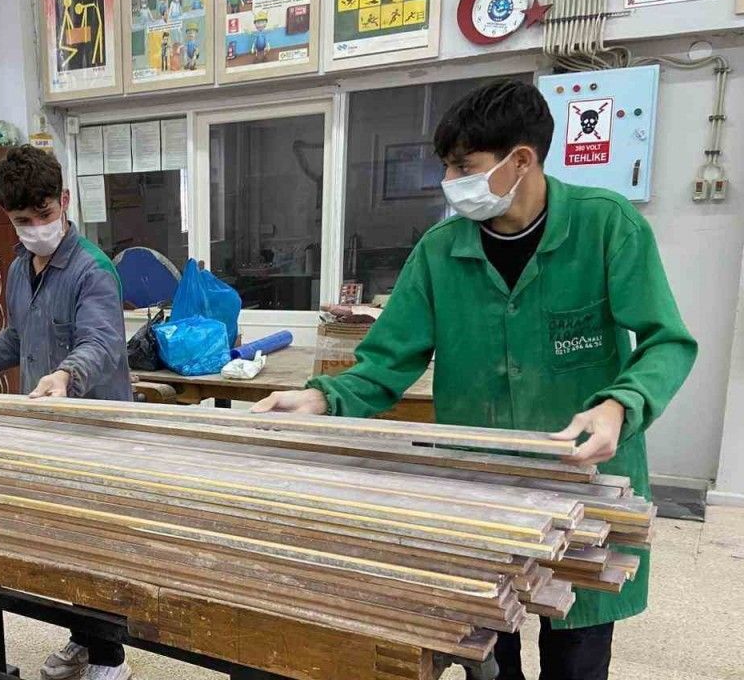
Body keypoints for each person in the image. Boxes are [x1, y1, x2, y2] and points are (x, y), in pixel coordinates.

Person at [252, 80, 697, 680]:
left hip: (585, 475)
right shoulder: (440, 251)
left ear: (522, 160)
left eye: (464, 167)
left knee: (578, 650)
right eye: (447, 167)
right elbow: (387, 361)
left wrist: (621, 403)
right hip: (480, 482)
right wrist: (322, 398)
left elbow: (667, 340)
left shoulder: (606, 226)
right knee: (487, 649)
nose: (450, 181)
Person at [0, 145, 134, 680]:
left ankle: (109, 658)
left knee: (96, 545)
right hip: (46, 430)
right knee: (62, 544)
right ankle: (83, 639)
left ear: (64, 201)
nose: (37, 228)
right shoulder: (19, 269)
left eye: (44, 214)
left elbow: (102, 343)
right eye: (23, 220)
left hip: (97, 430)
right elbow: (16, 340)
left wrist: (65, 376)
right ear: (8, 218)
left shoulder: (93, 270)